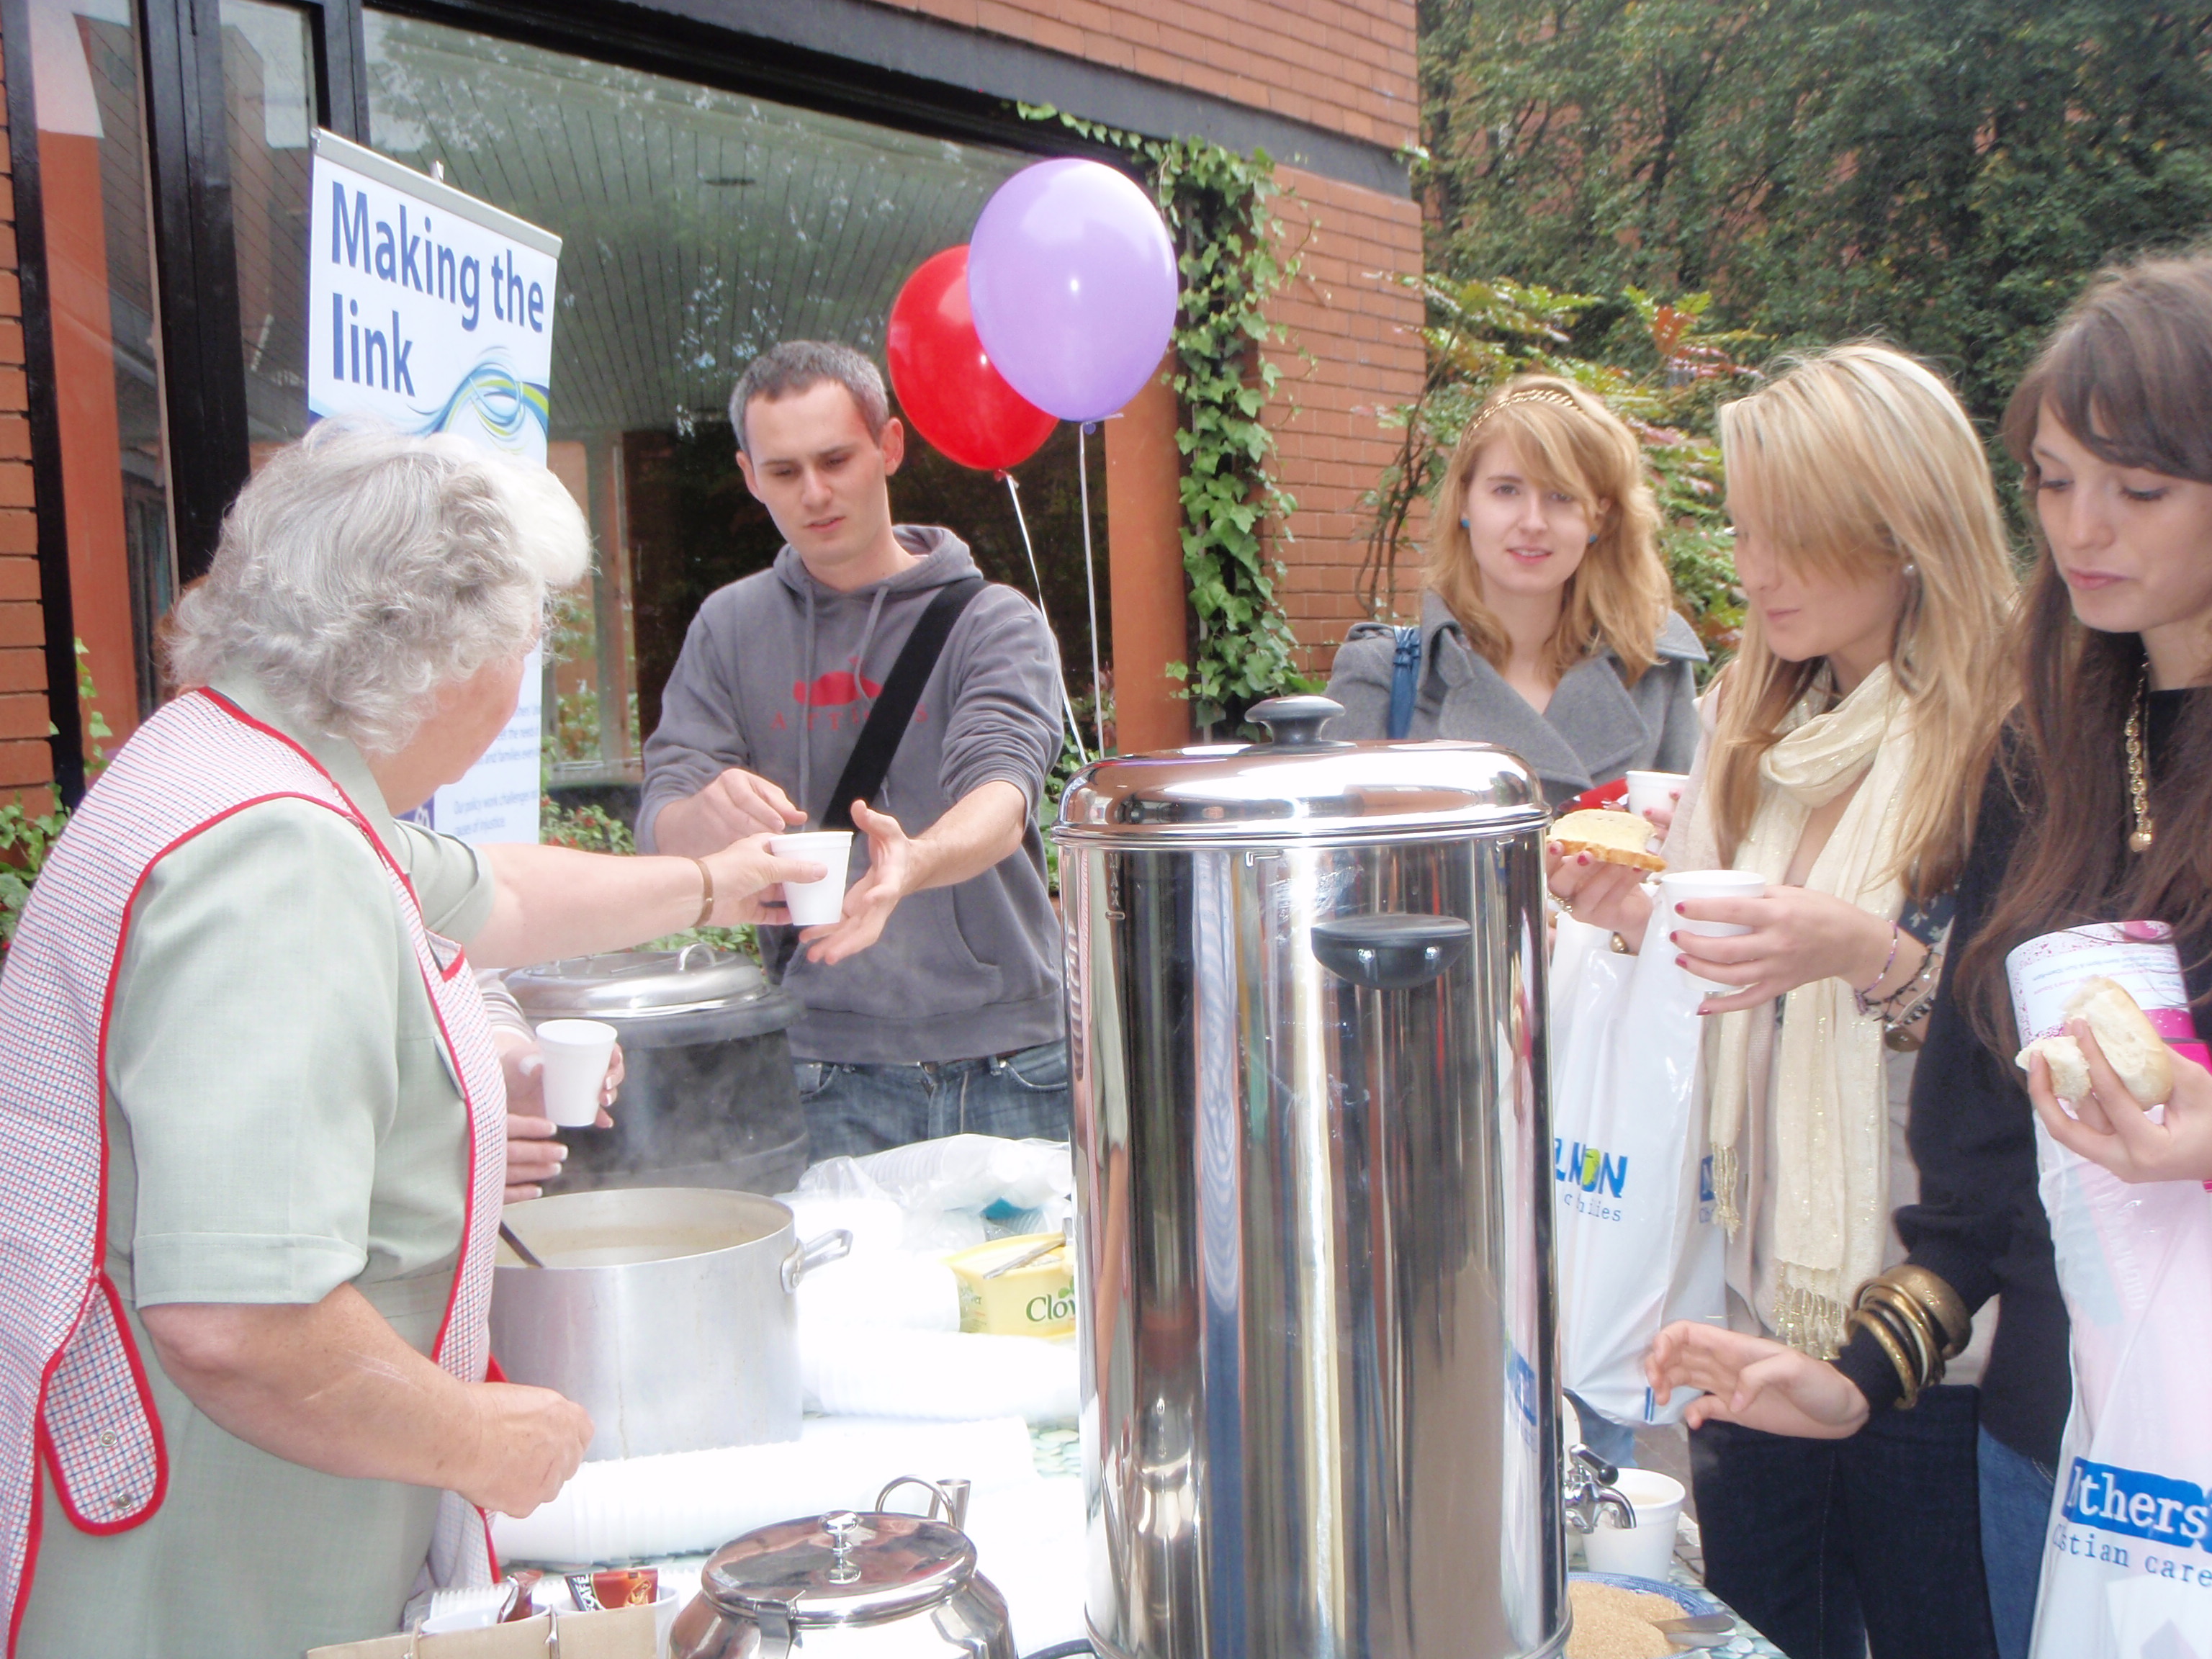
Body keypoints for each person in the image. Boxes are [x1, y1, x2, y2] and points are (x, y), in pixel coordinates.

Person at [0, 423, 824, 1656]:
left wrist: (711, 884)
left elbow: (486, 891)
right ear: (446, 654)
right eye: (524, 641)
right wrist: (476, 1435)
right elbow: (241, 1315)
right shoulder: (276, 855)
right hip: (213, 1568)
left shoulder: (223, 765)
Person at [1646, 258, 2212, 1659]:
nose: (2083, 530)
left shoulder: (1987, 735)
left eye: (2137, 491)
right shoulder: (2062, 741)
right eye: (2054, 481)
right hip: (2054, 1427)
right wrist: (1858, 1374)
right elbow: (1980, 1155)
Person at [1553, 343, 2016, 1659]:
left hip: (1936, 1351)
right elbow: (1730, 978)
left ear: (1908, 528)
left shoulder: (2005, 742)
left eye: (1793, 539)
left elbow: (2022, 1062)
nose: (1754, 574)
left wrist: (1867, 954)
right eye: (1747, 533)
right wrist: (1639, 916)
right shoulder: (1757, 729)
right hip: (1744, 1312)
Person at [640, 341, 1070, 1161]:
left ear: (889, 447)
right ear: (748, 476)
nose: (815, 493)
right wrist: (703, 816)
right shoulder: (729, 629)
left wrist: (914, 861)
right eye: (784, 472)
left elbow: (1003, 792)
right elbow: (661, 818)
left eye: (835, 459)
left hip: (1018, 1063)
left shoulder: (993, 620)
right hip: (824, 1070)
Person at [1327, 374, 1704, 803]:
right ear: (1465, 503)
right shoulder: (1382, 676)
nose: (1533, 522)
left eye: (1561, 496)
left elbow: (1694, 857)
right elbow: (1337, 866)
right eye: (1507, 490)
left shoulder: (1654, 669)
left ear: (1599, 517)